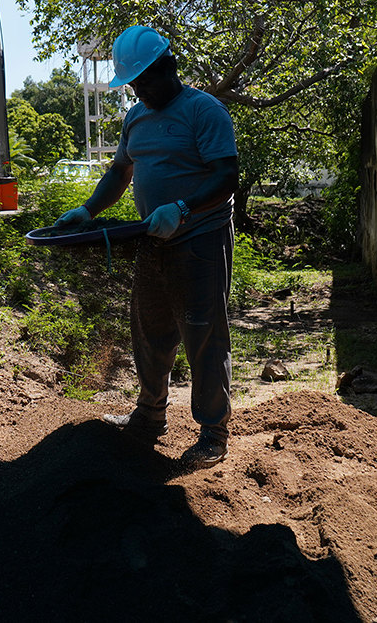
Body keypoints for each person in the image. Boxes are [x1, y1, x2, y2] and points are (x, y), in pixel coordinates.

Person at [55, 25, 239, 469]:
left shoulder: (204, 111)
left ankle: (213, 433)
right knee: (150, 332)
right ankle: (150, 415)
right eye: (134, 84)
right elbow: (120, 174)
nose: (141, 90)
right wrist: (88, 210)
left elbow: (225, 176)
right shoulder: (135, 118)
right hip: (152, 242)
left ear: (170, 66)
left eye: (147, 80)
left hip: (199, 240)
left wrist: (183, 208)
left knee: (203, 335)